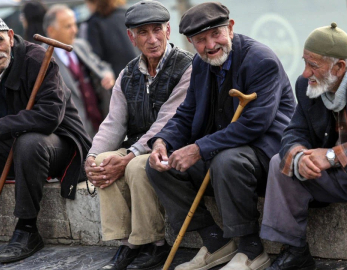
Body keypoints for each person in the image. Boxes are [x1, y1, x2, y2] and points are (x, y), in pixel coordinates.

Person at [146, 2, 296, 270]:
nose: (210, 45)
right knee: (160, 167)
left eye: (216, 34)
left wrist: (199, 148)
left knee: (226, 161)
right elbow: (186, 113)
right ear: (190, 42)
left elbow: (255, 124)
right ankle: (215, 242)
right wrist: (162, 141)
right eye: (201, 40)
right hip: (222, 150)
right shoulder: (201, 64)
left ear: (231, 28)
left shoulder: (261, 60)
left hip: (265, 153)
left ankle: (251, 249)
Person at [0, 14, 91, 265]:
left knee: (29, 142)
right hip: (6, 147)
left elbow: (49, 116)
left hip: (56, 146)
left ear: (10, 36)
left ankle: (27, 230)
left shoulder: (38, 60)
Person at [84, 1, 193, 269]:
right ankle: (127, 241)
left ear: (169, 30)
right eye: (143, 32)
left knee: (134, 166)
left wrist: (132, 153)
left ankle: (154, 242)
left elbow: (168, 121)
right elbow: (113, 123)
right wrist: (93, 155)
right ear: (132, 38)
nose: (152, 39)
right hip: (137, 145)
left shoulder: (187, 67)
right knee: (103, 163)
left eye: (157, 30)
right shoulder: (127, 74)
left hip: (174, 146)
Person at [260, 23, 347, 270]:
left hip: (337, 166)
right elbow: (294, 131)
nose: (306, 73)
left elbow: (330, 156)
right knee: (281, 162)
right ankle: (295, 251)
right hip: (336, 177)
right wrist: (299, 157)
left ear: (339, 66)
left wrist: (331, 155)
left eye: (314, 65)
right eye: (305, 63)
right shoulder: (306, 85)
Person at [43, 4, 115, 138]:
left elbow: (102, 67)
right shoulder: (42, 58)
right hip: (74, 133)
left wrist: (107, 75)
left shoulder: (81, 46)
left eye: (74, 25)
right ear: (51, 31)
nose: (74, 30)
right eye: (68, 26)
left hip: (102, 126)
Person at [83, 0, 139, 78]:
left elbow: (96, 58)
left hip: (119, 80)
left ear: (94, 2)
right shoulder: (128, 14)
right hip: (142, 72)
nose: (87, 7)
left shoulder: (95, 23)